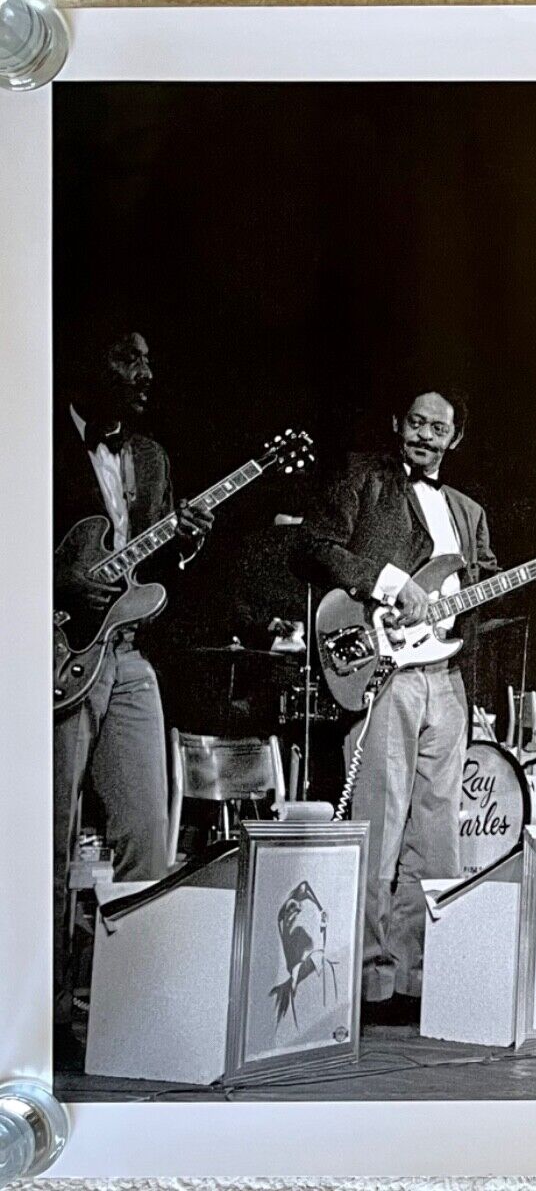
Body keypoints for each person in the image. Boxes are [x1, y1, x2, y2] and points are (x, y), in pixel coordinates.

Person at [296, 388, 536, 1026]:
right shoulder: (363, 481)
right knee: (379, 824)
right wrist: (389, 582)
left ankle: (412, 976)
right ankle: (366, 980)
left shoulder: (469, 511)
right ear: (397, 424)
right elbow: (315, 546)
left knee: (435, 833)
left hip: (447, 677)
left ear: (455, 439)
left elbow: (490, 592)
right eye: (417, 423)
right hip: (384, 671)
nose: (427, 435)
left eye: (440, 428)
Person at [54, 330, 212, 1049]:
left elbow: (150, 571)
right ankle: (43, 1008)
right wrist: (60, 588)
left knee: (149, 832)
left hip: (128, 653)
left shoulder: (150, 458)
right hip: (51, 651)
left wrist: (187, 539)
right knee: (49, 839)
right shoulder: (33, 433)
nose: (146, 374)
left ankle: (117, 1002)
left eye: (150, 360)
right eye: (130, 361)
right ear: (90, 366)